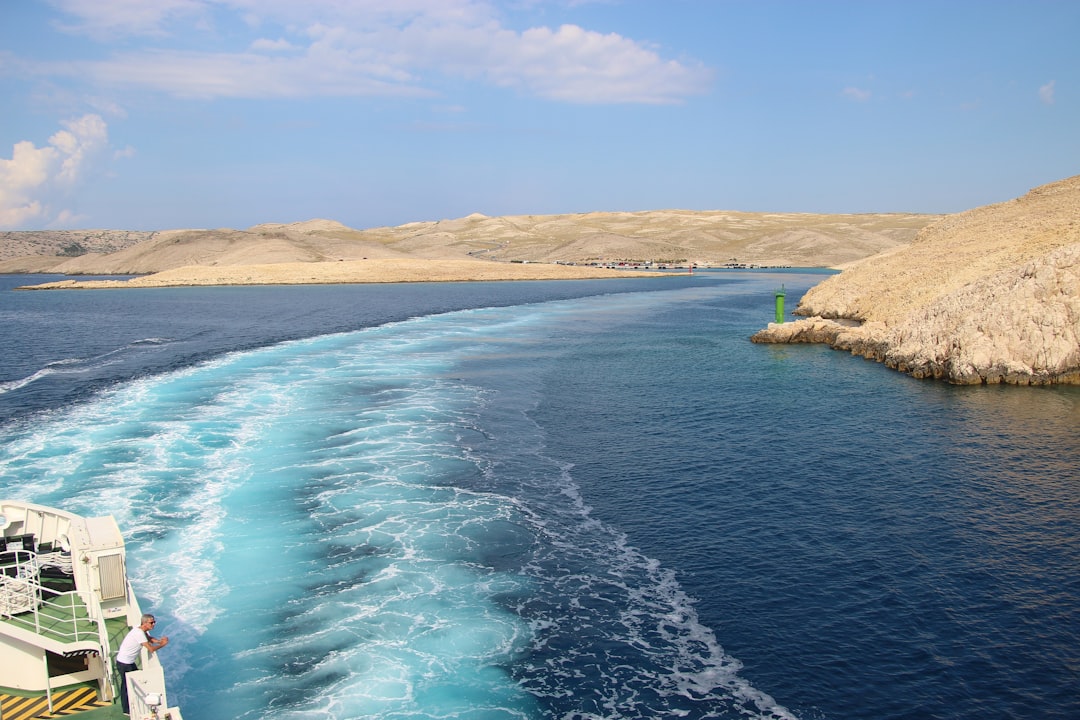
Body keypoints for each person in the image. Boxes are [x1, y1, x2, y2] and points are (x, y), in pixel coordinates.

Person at [115, 613, 169, 715]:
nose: (154, 624)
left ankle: (133, 704)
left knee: (135, 681)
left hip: (128, 662)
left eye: (154, 622)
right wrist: (162, 644)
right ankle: (126, 710)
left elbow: (149, 639)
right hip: (124, 664)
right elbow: (151, 649)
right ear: (144, 623)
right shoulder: (139, 633)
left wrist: (159, 641)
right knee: (126, 686)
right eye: (151, 622)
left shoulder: (140, 630)